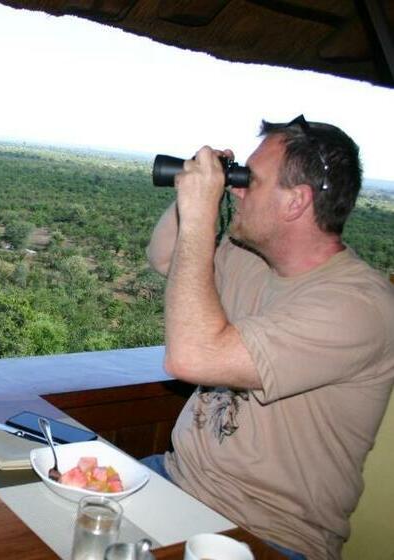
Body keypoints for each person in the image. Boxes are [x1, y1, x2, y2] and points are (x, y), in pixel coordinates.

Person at [144, 116, 394, 560]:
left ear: (296, 202)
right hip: (176, 482)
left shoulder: (357, 306)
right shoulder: (251, 259)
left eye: (248, 181)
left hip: (264, 533)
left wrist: (204, 213)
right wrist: (192, 195)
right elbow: (165, 256)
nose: (236, 189)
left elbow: (191, 359)